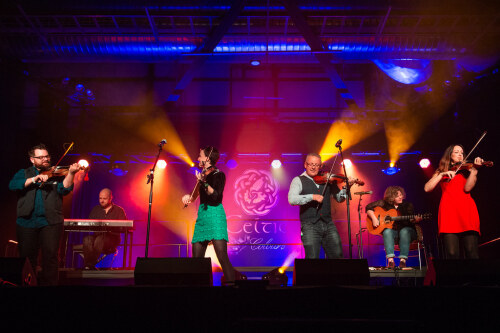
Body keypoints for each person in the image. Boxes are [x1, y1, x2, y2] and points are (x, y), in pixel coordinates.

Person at [8, 143, 81, 285]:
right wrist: (34, 179)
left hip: (51, 222)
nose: (45, 159)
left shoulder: (56, 174)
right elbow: (13, 185)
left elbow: (64, 189)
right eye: (40, 157)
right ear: (32, 159)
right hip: (26, 222)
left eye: (46, 156)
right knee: (27, 260)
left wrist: (71, 173)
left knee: (51, 257)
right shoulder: (23, 173)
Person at [182, 146, 235, 284]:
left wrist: (204, 183)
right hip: (203, 216)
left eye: (200, 156)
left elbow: (216, 196)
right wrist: (187, 197)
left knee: (222, 256)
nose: (198, 158)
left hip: (215, 215)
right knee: (196, 260)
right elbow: (194, 197)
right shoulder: (203, 175)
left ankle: (233, 287)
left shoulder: (218, 174)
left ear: (207, 158)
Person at [424, 144, 483, 259]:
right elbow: (427, 188)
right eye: (456, 152)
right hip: (449, 211)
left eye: (462, 152)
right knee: (451, 254)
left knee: (472, 252)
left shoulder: (467, 169)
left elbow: (467, 188)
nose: (460, 154)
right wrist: (442, 174)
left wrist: (475, 170)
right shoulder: (441, 171)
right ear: (450, 155)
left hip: (467, 210)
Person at [288, 153, 351, 259]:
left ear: (320, 166)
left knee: (338, 256)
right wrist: (312, 196)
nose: (313, 167)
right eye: (311, 164)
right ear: (305, 165)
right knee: (312, 259)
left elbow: (340, 198)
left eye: (316, 165)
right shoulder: (298, 180)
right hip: (309, 225)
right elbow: (292, 199)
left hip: (328, 224)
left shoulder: (327, 179)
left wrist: (347, 188)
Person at [366, 186, 422, 269]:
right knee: (387, 231)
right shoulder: (385, 203)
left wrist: (415, 220)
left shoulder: (407, 205)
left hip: (409, 233)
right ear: (391, 197)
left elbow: (411, 221)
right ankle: (391, 261)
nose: (400, 197)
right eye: (397, 196)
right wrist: (374, 219)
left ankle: (403, 261)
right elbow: (368, 207)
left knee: (404, 231)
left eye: (401, 195)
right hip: (395, 234)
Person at [82, 188, 127, 270]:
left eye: (104, 199)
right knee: (87, 239)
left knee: (100, 239)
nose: (102, 201)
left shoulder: (119, 210)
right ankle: (89, 265)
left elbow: (123, 227)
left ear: (110, 198)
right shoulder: (95, 209)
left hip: (112, 238)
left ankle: (89, 264)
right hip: (97, 237)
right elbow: (89, 224)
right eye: (100, 198)